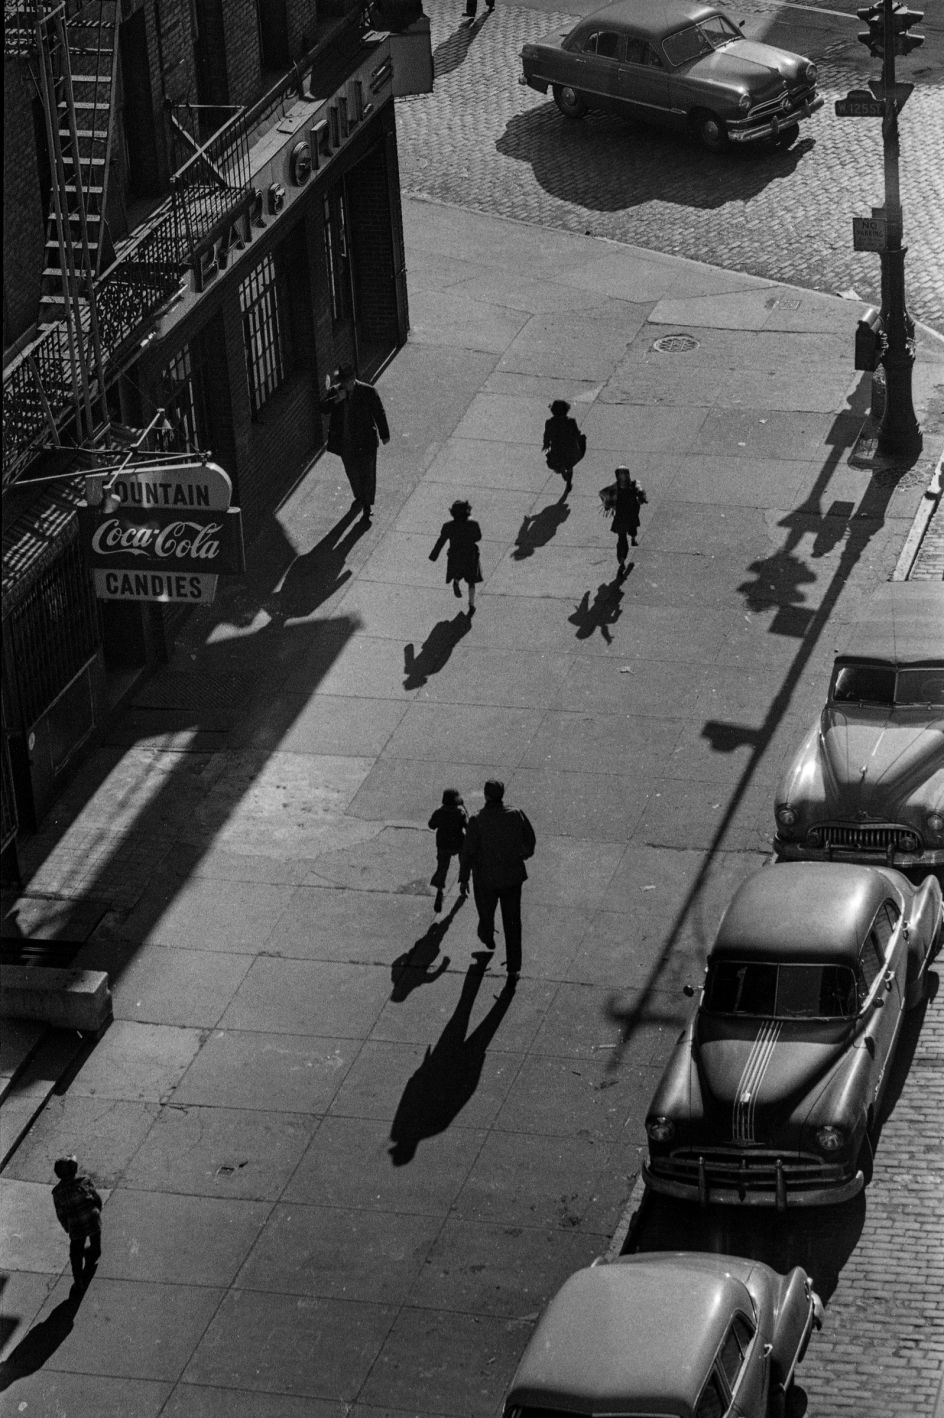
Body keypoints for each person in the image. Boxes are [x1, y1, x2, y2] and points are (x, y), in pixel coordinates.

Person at [459, 779, 536, 978]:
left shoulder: (477, 819)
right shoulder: (515, 814)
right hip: (512, 877)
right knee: (513, 922)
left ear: (486, 795)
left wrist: (464, 877)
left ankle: (486, 935)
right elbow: (530, 841)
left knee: (485, 912)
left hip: (486, 879)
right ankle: (514, 969)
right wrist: (521, 855)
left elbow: (468, 851)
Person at [319, 363, 390, 522]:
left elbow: (379, 412)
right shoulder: (335, 392)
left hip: (366, 442)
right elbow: (323, 408)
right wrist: (336, 399)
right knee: (353, 473)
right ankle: (360, 496)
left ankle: (366, 506)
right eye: (345, 383)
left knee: (367, 474)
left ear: (354, 379)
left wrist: (384, 434)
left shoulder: (367, 391)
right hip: (346, 443)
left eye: (350, 382)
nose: (348, 385)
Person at [51, 1155, 103, 1293]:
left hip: (76, 1226)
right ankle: (92, 1253)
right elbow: (97, 1199)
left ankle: (79, 1281)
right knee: (95, 1243)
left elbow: (61, 1214)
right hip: (92, 1219)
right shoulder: (85, 1181)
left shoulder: (57, 1192)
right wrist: (97, 1211)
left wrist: (67, 1228)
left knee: (75, 1254)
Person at [429, 499, 483, 614]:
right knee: (471, 580)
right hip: (470, 554)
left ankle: (456, 580)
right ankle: (471, 604)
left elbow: (441, 541)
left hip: (455, 554)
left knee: (459, 570)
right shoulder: (473, 524)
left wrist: (434, 555)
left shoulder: (448, 526)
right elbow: (478, 537)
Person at [428, 787, 469, 912]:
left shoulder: (439, 812)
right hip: (458, 843)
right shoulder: (460, 813)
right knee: (465, 862)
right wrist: (465, 808)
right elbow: (468, 827)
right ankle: (463, 883)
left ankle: (440, 890)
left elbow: (431, 825)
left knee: (442, 867)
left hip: (443, 844)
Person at [600, 466, 646, 575]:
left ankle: (633, 538)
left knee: (633, 528)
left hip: (632, 513)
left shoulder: (634, 484)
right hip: (620, 516)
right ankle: (621, 560)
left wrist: (641, 496)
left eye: (625, 474)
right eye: (620, 474)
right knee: (621, 539)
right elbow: (603, 493)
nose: (623, 476)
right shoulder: (614, 487)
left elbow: (641, 491)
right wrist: (607, 504)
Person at [542, 400, 586, 497]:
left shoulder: (549, 422)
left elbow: (547, 435)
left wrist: (546, 444)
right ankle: (569, 483)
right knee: (570, 465)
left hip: (557, 447)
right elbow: (576, 433)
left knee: (557, 462)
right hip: (569, 447)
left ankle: (562, 470)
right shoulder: (571, 421)